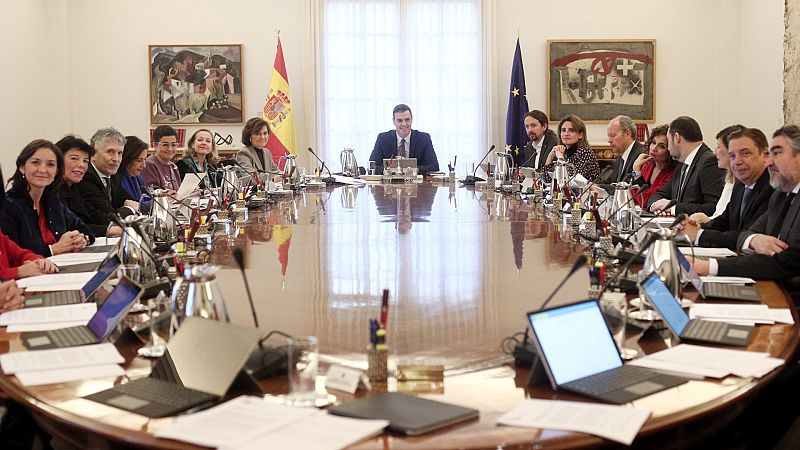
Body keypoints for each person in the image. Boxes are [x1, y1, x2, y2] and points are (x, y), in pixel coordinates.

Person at [691, 125, 800, 281]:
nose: (769, 161)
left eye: (777, 153)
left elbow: (785, 262)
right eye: (732, 156)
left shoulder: (773, 190)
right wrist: (753, 239)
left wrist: (708, 267)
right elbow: (746, 233)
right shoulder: (781, 195)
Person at [681, 127, 772, 250]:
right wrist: (696, 227)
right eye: (732, 156)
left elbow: (747, 235)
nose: (737, 161)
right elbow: (724, 222)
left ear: (765, 155)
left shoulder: (772, 188)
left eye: (745, 153)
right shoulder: (740, 184)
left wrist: (699, 235)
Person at [1, 139, 94, 257]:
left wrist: (83, 239)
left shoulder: (52, 200)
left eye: (50, 164)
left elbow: (85, 229)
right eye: (35, 163)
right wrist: (54, 249)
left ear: (57, 171)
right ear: (22, 167)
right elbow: (11, 257)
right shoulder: (8, 205)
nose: (42, 170)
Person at [647, 116, 726, 216]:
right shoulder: (682, 164)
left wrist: (673, 208)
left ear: (676, 138)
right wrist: (656, 206)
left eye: (668, 140)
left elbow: (714, 207)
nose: (669, 147)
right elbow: (659, 193)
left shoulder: (709, 162)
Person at [0, 167, 57, 280]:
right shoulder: (12, 204)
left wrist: (38, 261)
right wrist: (17, 272)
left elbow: (18, 254)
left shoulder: (52, 198)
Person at [77, 127, 139, 226]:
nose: (116, 159)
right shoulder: (86, 177)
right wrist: (129, 209)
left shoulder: (113, 175)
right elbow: (109, 217)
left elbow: (134, 202)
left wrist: (132, 207)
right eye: (110, 152)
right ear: (93, 154)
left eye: (120, 153)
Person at [691, 124, 745, 223]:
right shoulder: (729, 179)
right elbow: (720, 217)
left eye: (719, 147)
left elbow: (729, 225)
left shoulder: (743, 184)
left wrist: (706, 220)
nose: (714, 152)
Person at [369, 104, 440, 175]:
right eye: (399, 120)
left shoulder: (424, 138)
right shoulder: (383, 138)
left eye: (407, 120)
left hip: (416, 184)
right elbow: (372, 166)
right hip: (390, 184)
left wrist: (413, 170)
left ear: (412, 120)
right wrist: (394, 171)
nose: (404, 124)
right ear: (393, 121)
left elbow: (434, 166)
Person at [542, 114, 600, 183]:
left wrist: (561, 158)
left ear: (580, 135)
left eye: (571, 130)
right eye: (563, 130)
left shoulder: (586, 152)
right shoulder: (564, 152)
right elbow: (547, 180)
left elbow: (573, 180)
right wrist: (550, 156)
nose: (566, 134)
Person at [630, 125, 676, 207]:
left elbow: (648, 202)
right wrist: (635, 172)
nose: (654, 148)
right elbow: (633, 191)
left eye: (662, 146)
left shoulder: (672, 174)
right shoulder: (647, 166)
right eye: (654, 142)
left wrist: (637, 171)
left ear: (670, 150)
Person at [596, 116, 645, 191]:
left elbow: (627, 188)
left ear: (627, 134)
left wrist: (598, 187)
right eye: (608, 136)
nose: (609, 140)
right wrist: (593, 185)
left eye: (612, 135)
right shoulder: (621, 157)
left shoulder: (639, 155)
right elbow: (610, 181)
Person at [236, 117, 279, 184]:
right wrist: (272, 178)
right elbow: (250, 179)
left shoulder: (267, 152)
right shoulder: (244, 153)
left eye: (265, 133)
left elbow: (278, 172)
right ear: (249, 136)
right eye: (257, 134)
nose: (262, 137)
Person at [116, 135, 151, 211]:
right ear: (126, 159)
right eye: (139, 160)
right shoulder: (117, 179)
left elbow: (146, 200)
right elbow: (136, 206)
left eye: (144, 159)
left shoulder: (138, 178)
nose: (144, 165)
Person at [142, 125, 181, 191]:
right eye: (165, 145)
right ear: (155, 145)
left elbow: (178, 192)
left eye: (173, 145)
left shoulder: (173, 166)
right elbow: (151, 192)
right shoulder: (149, 164)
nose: (170, 149)